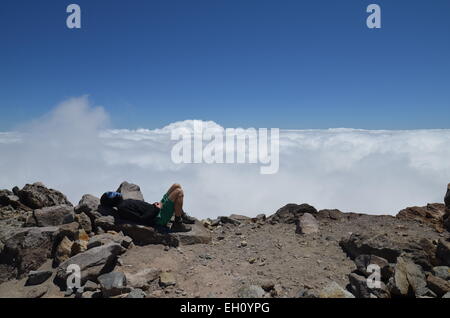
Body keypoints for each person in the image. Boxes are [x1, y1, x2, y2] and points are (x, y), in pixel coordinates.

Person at [100, 183, 195, 232]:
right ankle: (178, 222)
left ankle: (181, 214)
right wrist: (157, 209)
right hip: (159, 217)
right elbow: (142, 219)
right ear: (112, 200)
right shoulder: (123, 208)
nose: (114, 192)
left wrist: (156, 206)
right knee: (179, 192)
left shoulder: (124, 202)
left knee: (176, 185)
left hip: (157, 209)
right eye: (111, 194)